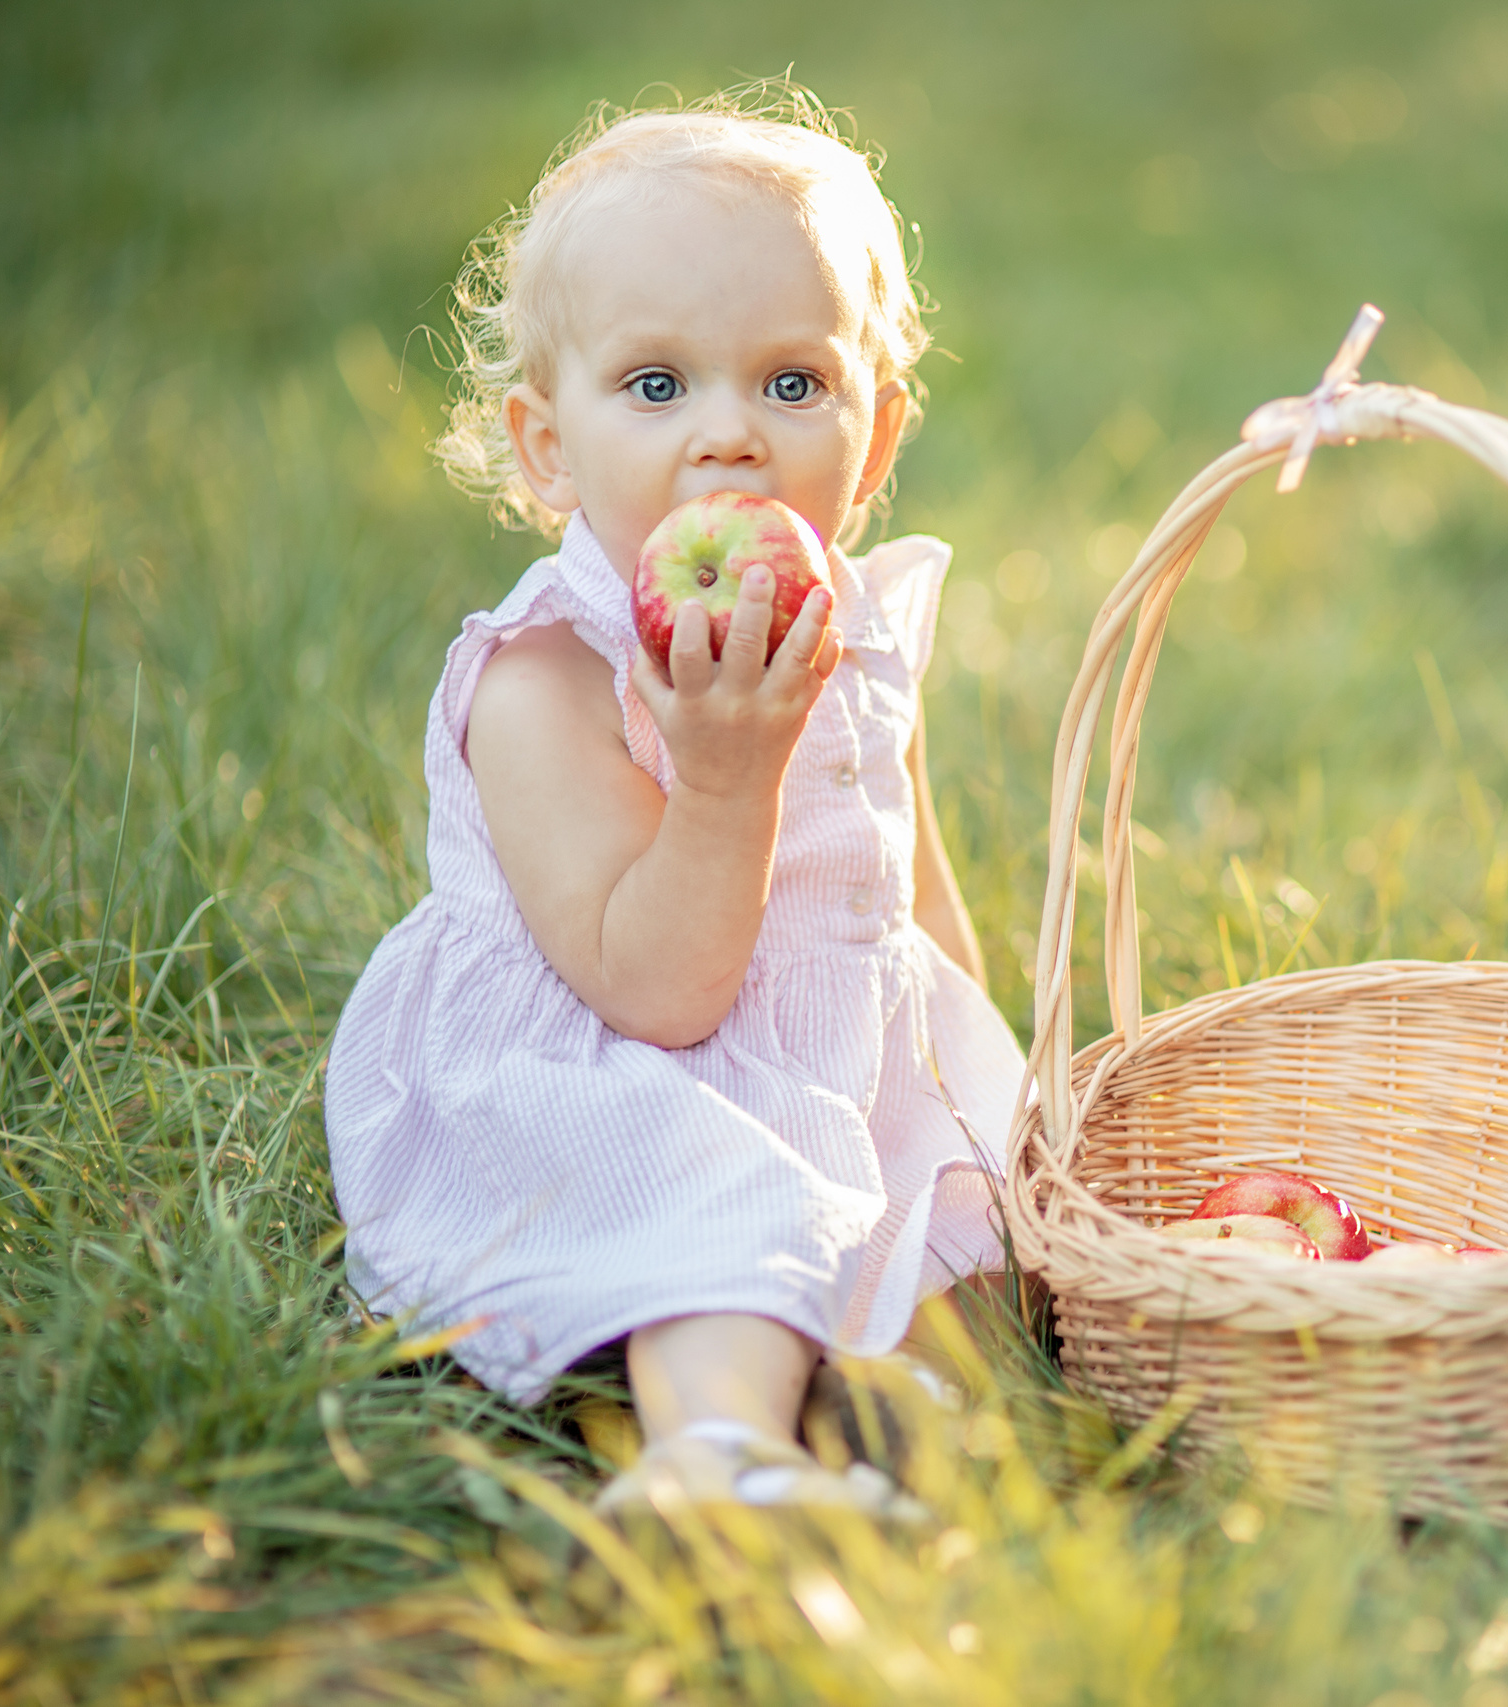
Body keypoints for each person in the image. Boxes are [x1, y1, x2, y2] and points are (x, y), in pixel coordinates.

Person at [324, 87, 1023, 1518]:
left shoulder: (846, 627)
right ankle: (712, 1452)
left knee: (974, 1212)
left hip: (831, 1042)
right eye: (658, 386)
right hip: (623, 1065)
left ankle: (884, 1402)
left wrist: (989, 1073)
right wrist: (724, 774)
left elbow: (905, 884)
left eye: (791, 384)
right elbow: (659, 994)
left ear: (874, 441)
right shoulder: (550, 684)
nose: (732, 439)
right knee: (721, 1194)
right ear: (546, 447)